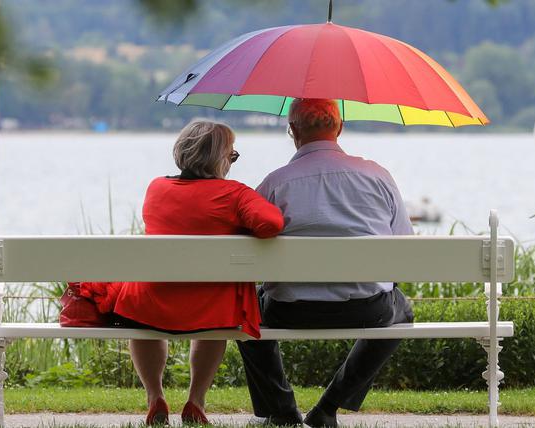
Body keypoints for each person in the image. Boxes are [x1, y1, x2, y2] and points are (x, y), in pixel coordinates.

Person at [237, 99, 415, 428]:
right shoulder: (378, 176)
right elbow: (404, 246)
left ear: (293, 131)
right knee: (401, 309)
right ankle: (328, 407)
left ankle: (282, 410)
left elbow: (244, 250)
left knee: (244, 310)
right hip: (366, 308)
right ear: (340, 128)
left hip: (289, 310)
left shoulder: (276, 183)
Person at [110, 120, 284, 425]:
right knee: (213, 305)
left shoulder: (157, 188)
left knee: (143, 304)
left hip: (151, 303)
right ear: (220, 159)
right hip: (208, 308)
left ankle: (155, 397)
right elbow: (271, 224)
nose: (231, 163)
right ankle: (196, 400)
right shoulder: (235, 195)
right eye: (232, 156)